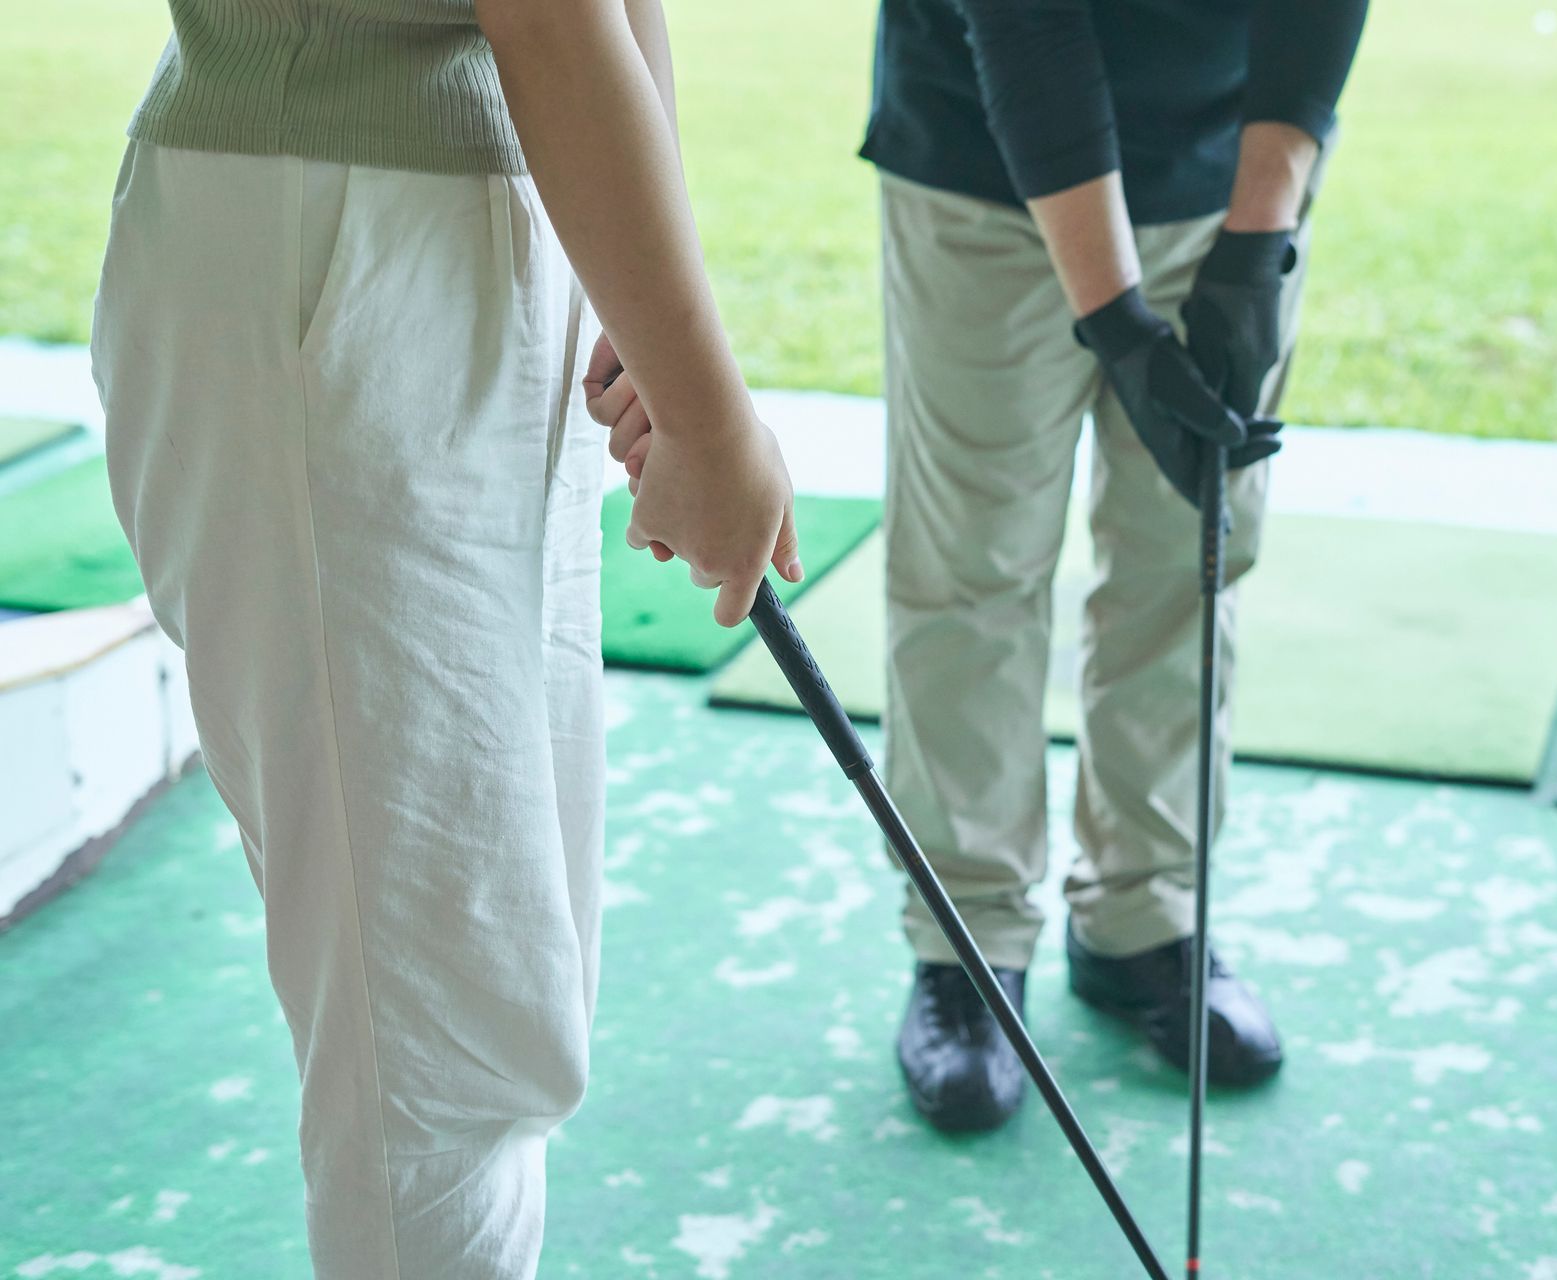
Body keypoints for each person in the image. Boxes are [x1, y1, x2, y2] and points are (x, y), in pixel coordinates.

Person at [91, 1, 797, 1274]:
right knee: (427, 1056)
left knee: (503, 988)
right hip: (336, 240)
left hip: (471, 224)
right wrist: (706, 418)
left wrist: (661, 335)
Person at [861, 0, 1369, 1131]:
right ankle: (968, 941)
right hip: (982, 162)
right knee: (974, 566)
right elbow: (1028, 31)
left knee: (1190, 552)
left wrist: (1257, 245)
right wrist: (1121, 327)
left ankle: (1145, 915)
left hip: (1223, 161)